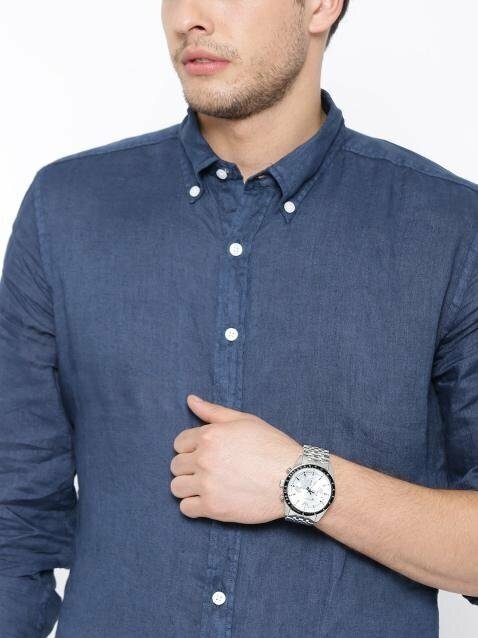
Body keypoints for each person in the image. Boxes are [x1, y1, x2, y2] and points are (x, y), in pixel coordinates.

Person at [1, 0, 477, 636]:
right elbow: (12, 523)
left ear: (321, 6)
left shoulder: (451, 229)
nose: (189, 18)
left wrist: (300, 482)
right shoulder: (65, 210)